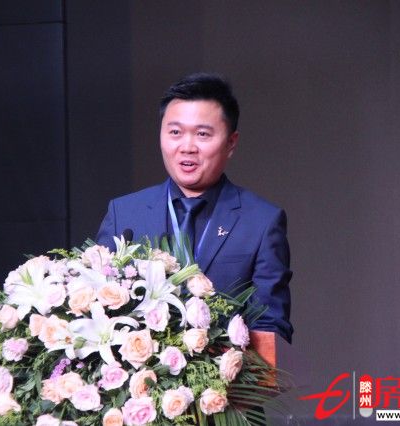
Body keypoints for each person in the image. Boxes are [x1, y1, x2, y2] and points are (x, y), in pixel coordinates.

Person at [96, 73, 293, 343]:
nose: (187, 147)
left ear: (231, 143)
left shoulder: (261, 222)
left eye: (202, 134)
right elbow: (96, 307)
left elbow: (270, 326)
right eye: (175, 132)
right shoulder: (125, 215)